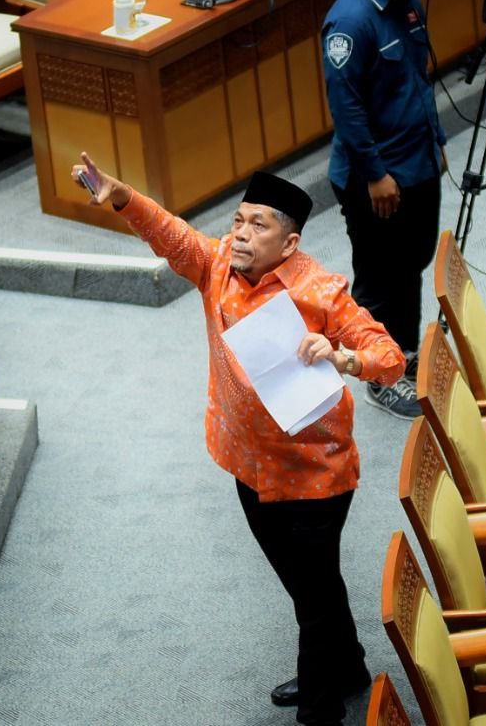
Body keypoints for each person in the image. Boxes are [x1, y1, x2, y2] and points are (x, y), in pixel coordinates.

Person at [70, 153, 404, 726]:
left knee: (312, 602)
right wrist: (122, 195)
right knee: (311, 588)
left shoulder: (321, 292)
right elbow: (171, 233)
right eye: (238, 221)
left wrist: (344, 356)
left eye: (258, 225)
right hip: (249, 467)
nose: (242, 234)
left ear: (290, 243)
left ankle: (321, 712)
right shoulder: (217, 264)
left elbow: (390, 358)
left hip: (316, 476)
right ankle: (346, 667)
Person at [321, 0, 446, 420]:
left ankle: (404, 355)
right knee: (378, 278)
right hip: (375, 177)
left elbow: (416, 81)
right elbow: (347, 109)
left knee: (411, 264)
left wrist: (435, 142)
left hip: (417, 164)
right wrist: (375, 174)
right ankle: (378, 375)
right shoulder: (349, 23)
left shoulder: (406, 2)